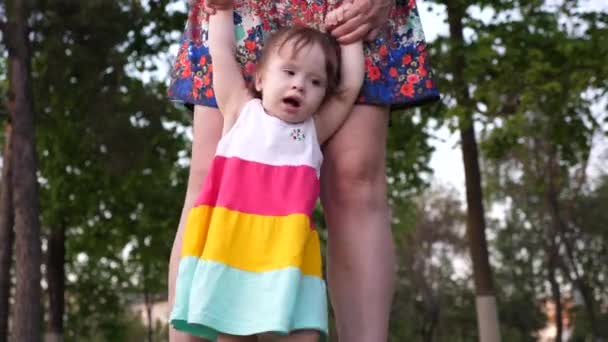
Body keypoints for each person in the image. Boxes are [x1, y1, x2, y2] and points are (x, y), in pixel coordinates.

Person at [167, 0, 440, 341]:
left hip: (291, 259)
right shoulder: (238, 110)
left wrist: (350, 36)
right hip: (230, 256)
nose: (299, 85)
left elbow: (347, 89)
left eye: (314, 82)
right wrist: (220, 10)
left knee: (354, 177)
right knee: (204, 176)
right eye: (289, 75)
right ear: (260, 79)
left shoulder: (310, 132)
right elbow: (221, 55)